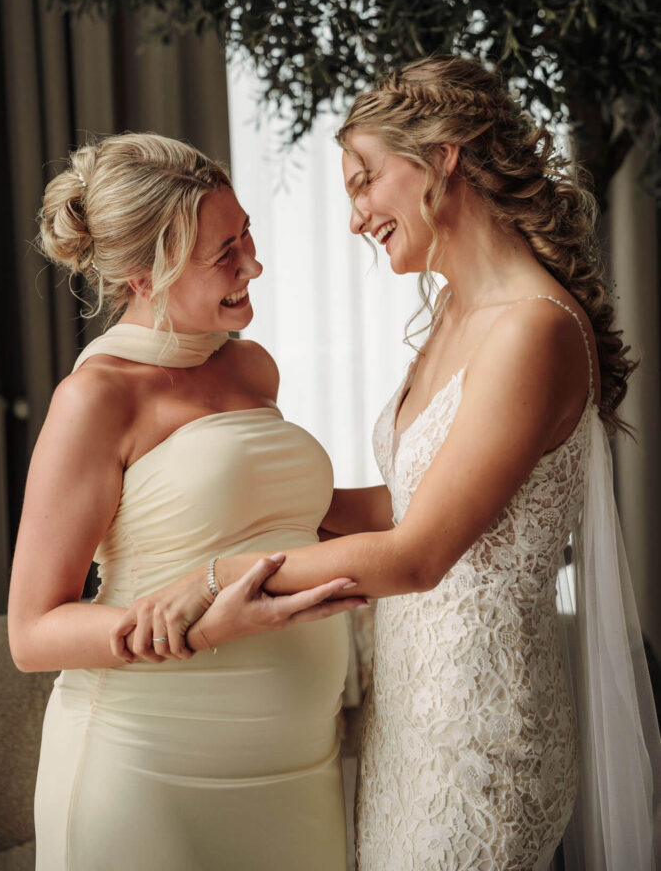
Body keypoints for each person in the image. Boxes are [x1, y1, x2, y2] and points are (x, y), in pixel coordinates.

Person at [114, 58, 661, 870]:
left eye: (364, 181)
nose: (354, 218)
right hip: (410, 720)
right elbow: (406, 502)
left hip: (480, 735)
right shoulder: (456, 311)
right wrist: (248, 500)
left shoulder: (532, 330)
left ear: (442, 155)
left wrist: (214, 576)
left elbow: (417, 555)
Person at [8, 132, 367, 871]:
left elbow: (307, 519)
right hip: (145, 769)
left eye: (246, 235)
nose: (253, 265)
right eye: (223, 254)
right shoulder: (96, 398)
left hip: (296, 775)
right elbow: (32, 632)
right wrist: (203, 630)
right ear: (142, 276)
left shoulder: (251, 368)